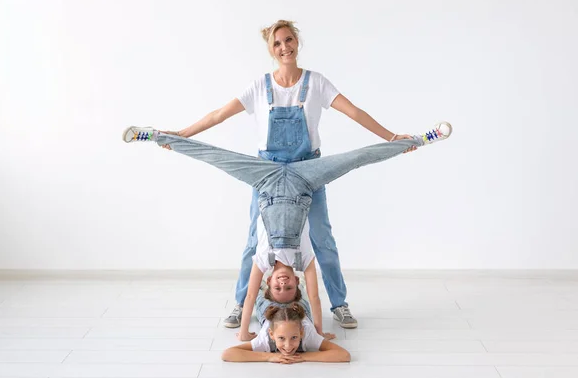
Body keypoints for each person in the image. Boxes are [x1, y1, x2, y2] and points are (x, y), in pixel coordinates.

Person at [157, 20, 422, 330]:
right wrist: (181, 135)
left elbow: (354, 112)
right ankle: (242, 302)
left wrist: (391, 138)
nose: (285, 47)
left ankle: (340, 304)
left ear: (298, 41)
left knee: (322, 238)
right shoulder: (259, 86)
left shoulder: (317, 83)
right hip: (266, 173)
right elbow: (218, 114)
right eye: (278, 44)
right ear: (271, 50)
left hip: (309, 170)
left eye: (289, 40)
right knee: (254, 241)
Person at [122, 122, 452, 339]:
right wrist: (319, 334)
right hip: (305, 178)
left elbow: (252, 295)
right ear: (295, 284)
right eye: (289, 288)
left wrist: (243, 335)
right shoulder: (303, 258)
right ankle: (420, 140)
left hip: (264, 177)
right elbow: (316, 298)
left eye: (277, 288)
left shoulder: (263, 261)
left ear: (270, 282)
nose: (282, 284)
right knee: (359, 157)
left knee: (212, 156)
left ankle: (154, 136)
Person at [221, 303, 350, 364]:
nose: (288, 346)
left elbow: (344, 355)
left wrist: (305, 356)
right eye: (281, 338)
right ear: (271, 334)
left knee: (299, 299)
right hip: (269, 307)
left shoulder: (308, 334)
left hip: (299, 307)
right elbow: (227, 354)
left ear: (301, 332)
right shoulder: (265, 338)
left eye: (294, 337)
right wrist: (269, 357)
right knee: (264, 300)